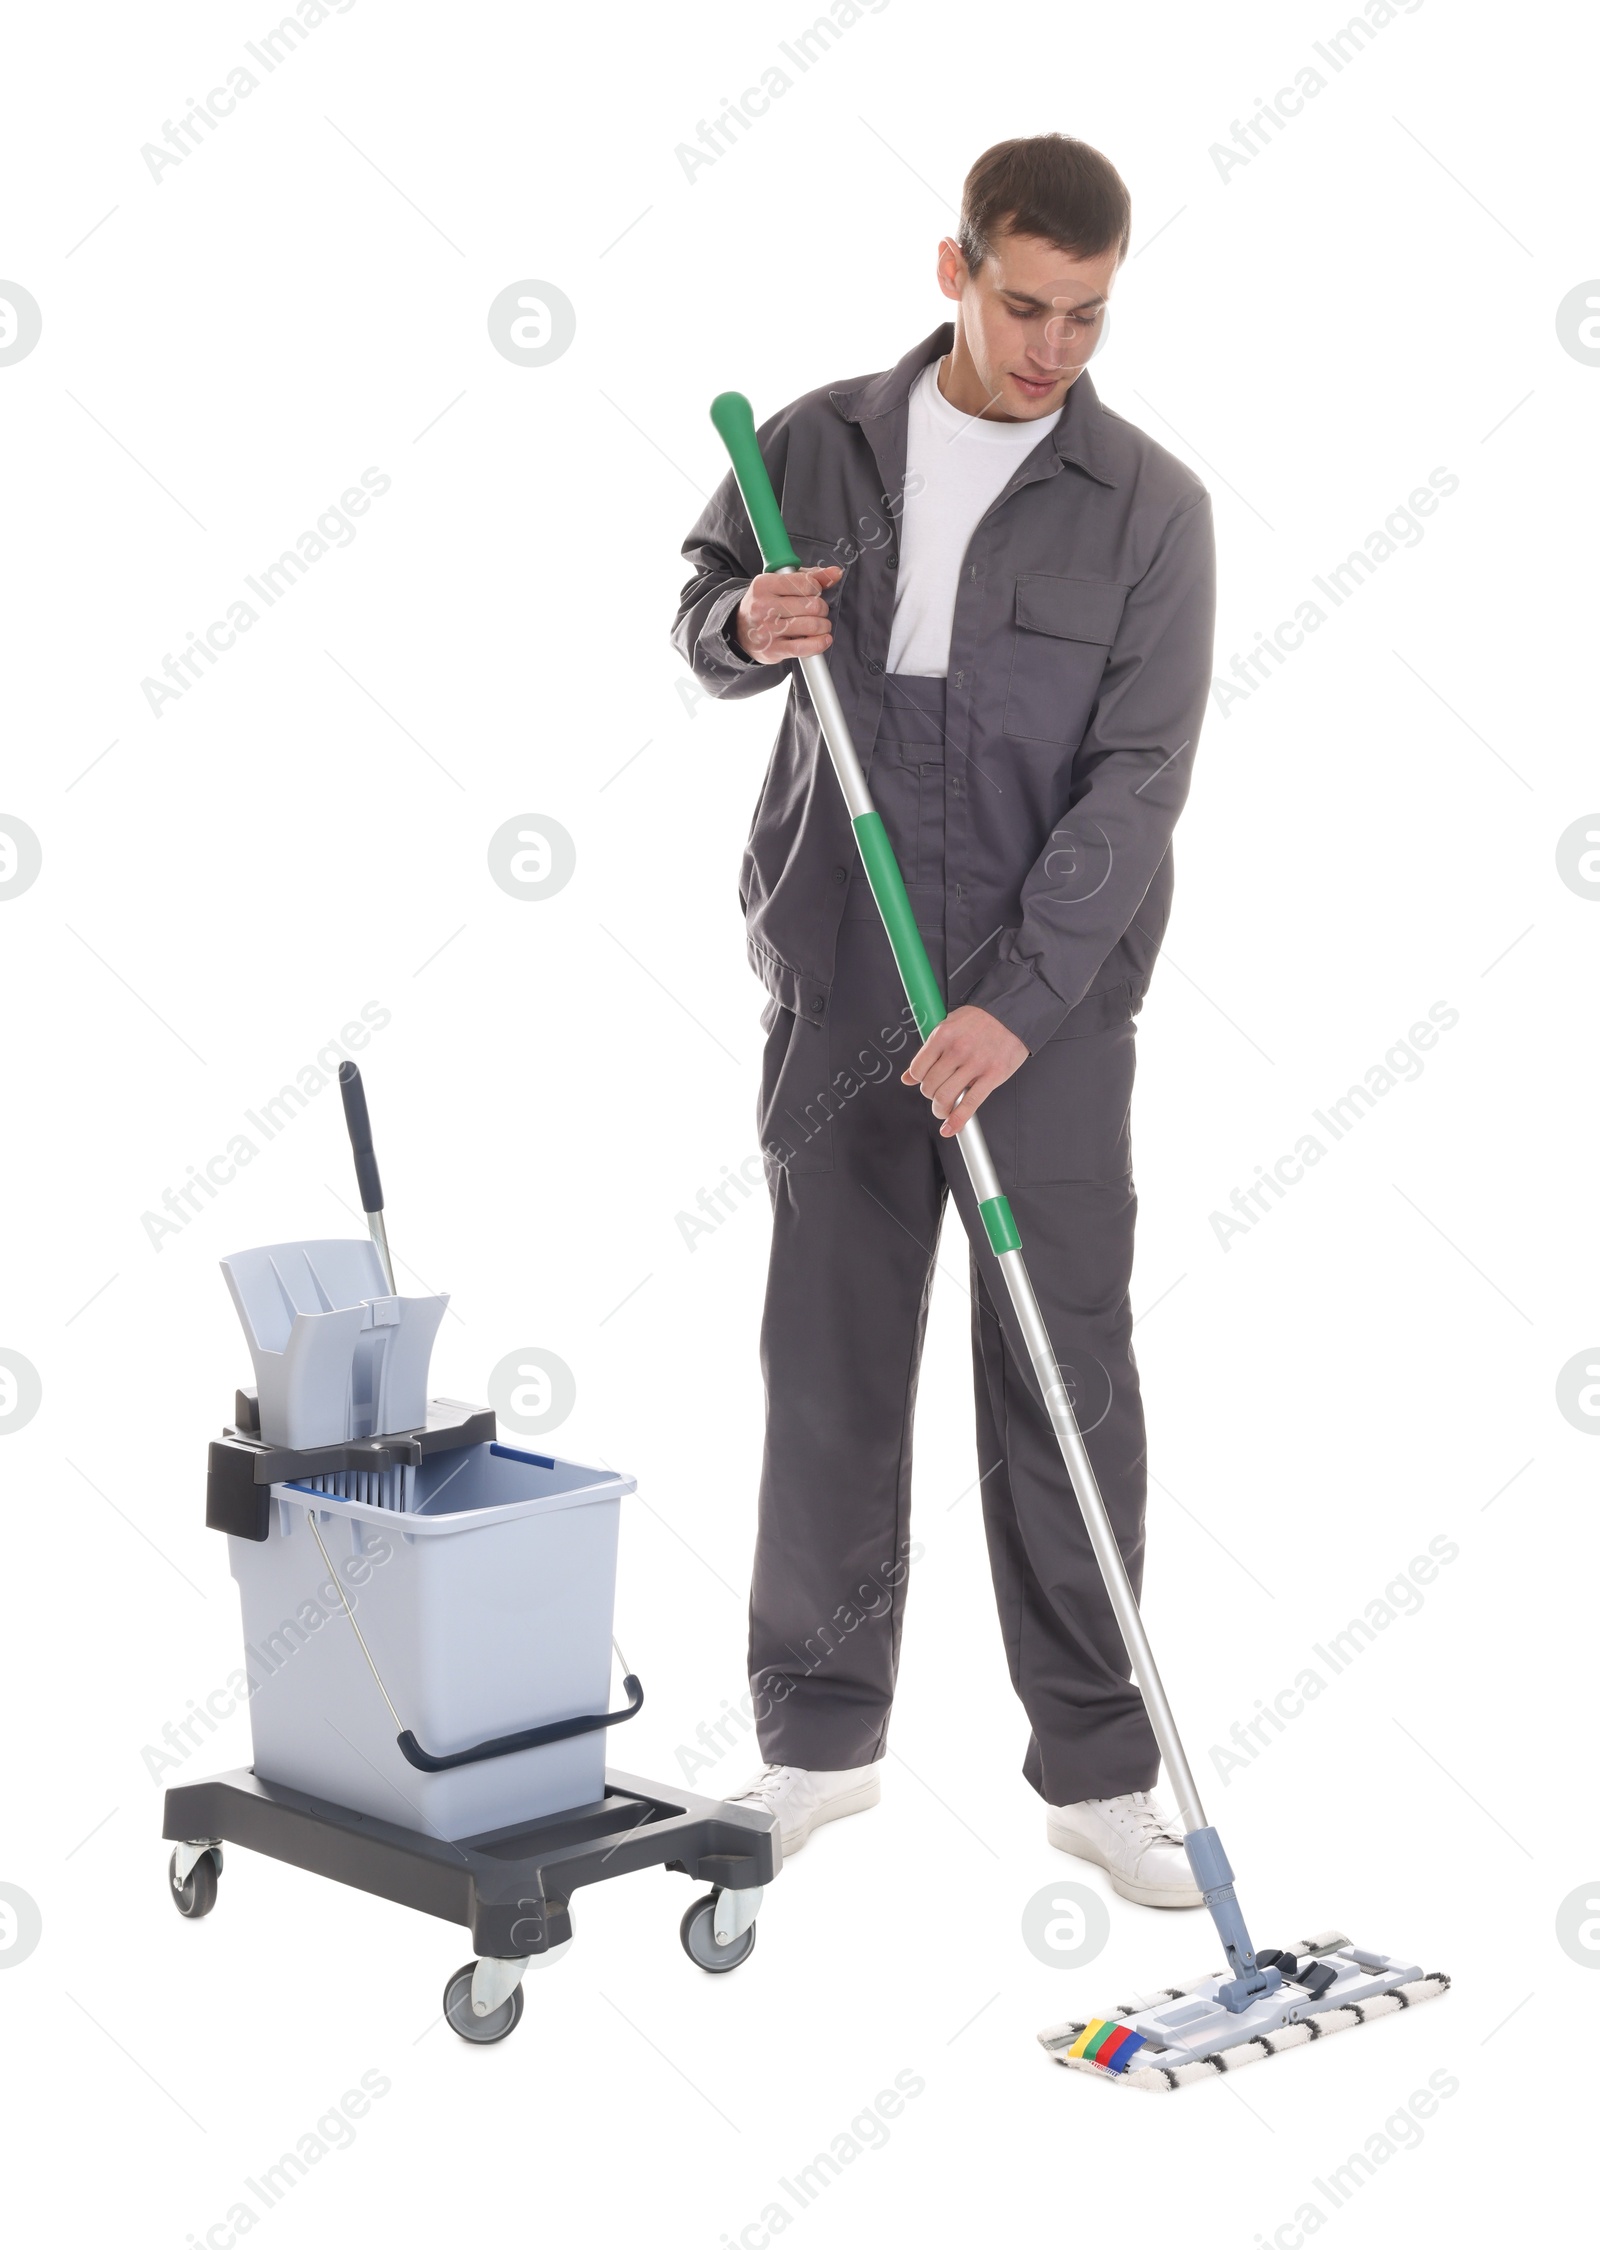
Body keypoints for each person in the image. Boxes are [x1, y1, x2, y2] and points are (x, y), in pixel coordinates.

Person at [671, 134, 1216, 1909]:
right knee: (829, 1360)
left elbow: (1136, 787)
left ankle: (1102, 1771)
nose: (1057, 347)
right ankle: (815, 1743)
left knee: (1064, 1379)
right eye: (1026, 304)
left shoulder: (1152, 508)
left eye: (1091, 314)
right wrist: (743, 619)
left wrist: (1016, 1002)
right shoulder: (818, 444)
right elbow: (700, 617)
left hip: (1042, 1011)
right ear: (954, 271)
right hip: (841, 967)